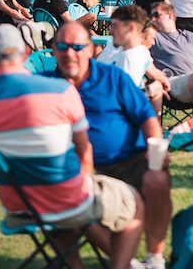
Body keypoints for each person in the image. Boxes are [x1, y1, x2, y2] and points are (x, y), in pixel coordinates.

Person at [0, 24, 143, 269]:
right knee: (133, 202)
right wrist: (83, 183)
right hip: (69, 199)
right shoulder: (62, 90)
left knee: (64, 230)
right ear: (27, 54)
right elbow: (84, 150)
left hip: (19, 207)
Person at [49, 22, 171, 269]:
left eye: (77, 47)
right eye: (62, 46)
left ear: (91, 49)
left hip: (130, 161)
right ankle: (128, 263)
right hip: (78, 170)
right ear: (53, 50)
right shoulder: (44, 85)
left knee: (157, 179)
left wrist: (157, 151)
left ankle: (154, 258)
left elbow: (147, 117)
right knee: (65, 199)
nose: (69, 53)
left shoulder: (112, 77)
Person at [97, 5, 156, 88]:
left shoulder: (131, 55)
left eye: (115, 25)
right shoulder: (132, 54)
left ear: (131, 28)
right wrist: (151, 90)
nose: (111, 30)